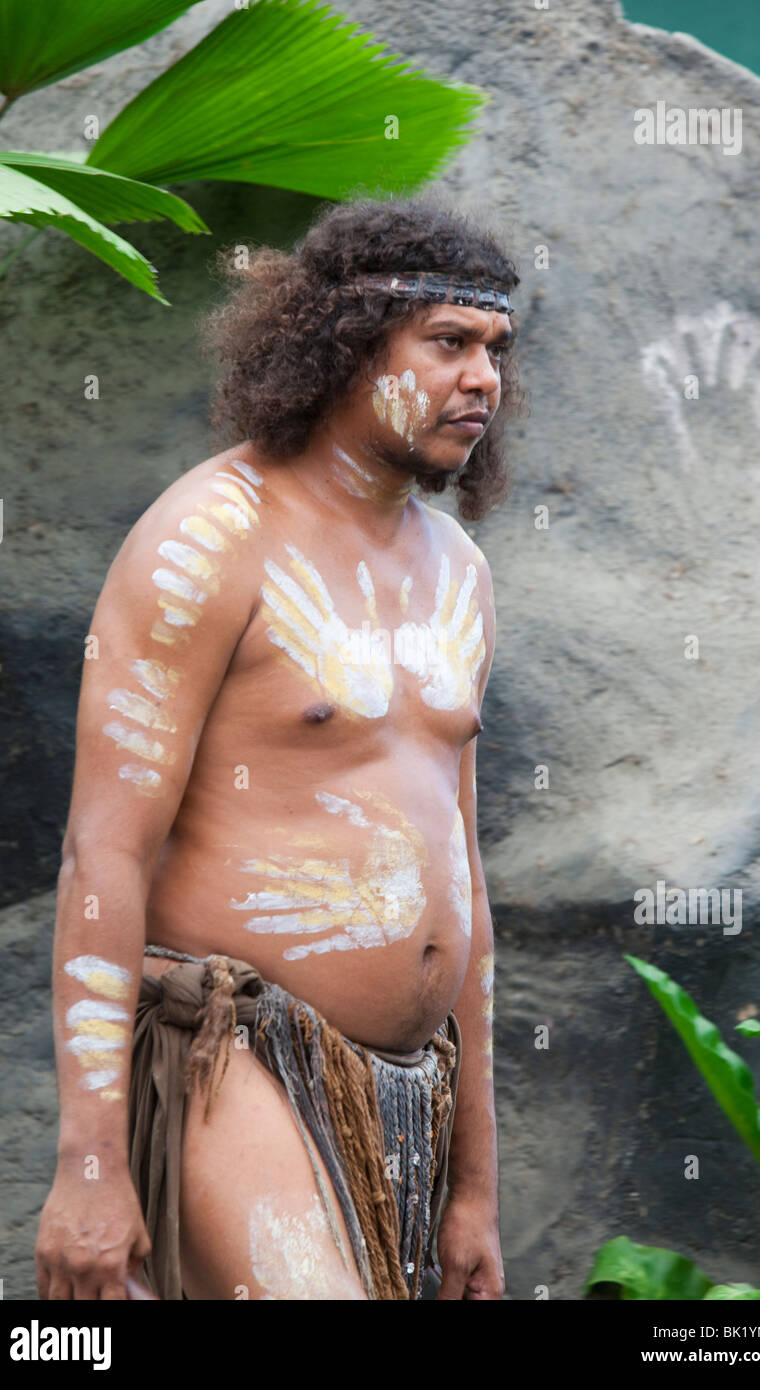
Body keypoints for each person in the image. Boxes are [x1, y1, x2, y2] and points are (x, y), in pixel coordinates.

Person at [34, 195, 527, 1300]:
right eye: (447, 343)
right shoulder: (210, 536)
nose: (483, 379)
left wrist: (475, 1189)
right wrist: (89, 1164)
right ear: (345, 348)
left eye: (495, 349)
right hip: (231, 1053)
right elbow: (102, 854)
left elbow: (464, 879)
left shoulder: (459, 572)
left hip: (411, 1090)